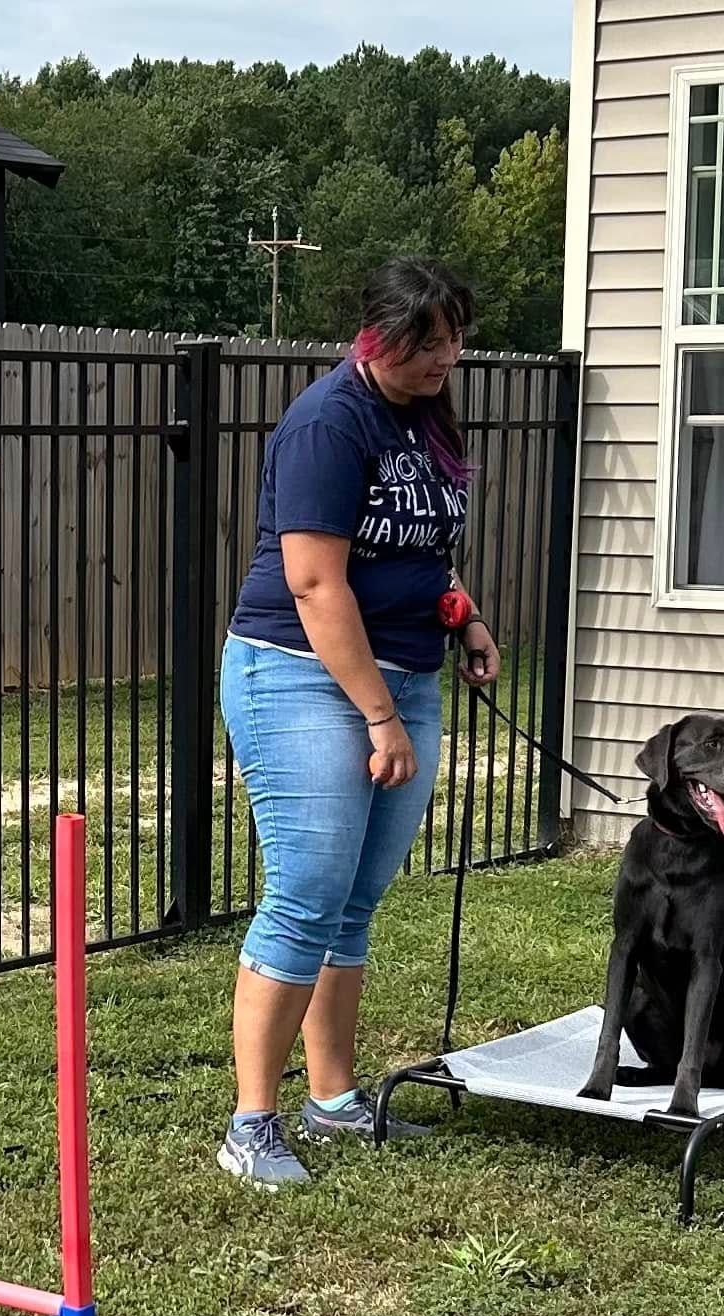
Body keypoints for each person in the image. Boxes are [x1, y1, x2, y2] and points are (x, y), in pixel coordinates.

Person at [217, 256, 501, 1190]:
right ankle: (250, 1125)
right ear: (373, 338)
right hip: (300, 675)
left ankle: (331, 1101)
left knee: (352, 901)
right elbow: (311, 583)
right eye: (426, 343)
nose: (445, 357)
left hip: (407, 670)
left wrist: (463, 614)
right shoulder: (326, 423)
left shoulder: (422, 419)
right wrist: (379, 718)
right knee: (304, 894)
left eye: (453, 338)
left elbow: (419, 546)